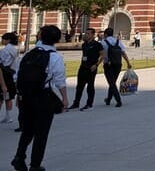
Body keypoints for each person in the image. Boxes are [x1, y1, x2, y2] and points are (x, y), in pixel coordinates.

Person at [11, 25, 68, 171]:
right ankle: (35, 165)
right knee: (41, 133)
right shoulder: (55, 57)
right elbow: (60, 81)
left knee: (28, 130)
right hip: (44, 97)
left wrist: (20, 94)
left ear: (40, 37)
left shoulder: (29, 54)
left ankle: (19, 157)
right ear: (57, 39)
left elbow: (17, 76)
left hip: (26, 97)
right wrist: (64, 99)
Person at [68, 28, 105, 111]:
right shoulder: (84, 44)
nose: (86, 35)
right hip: (83, 67)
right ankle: (76, 103)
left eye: (88, 34)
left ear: (92, 35)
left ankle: (89, 104)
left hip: (91, 68)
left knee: (90, 86)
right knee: (79, 86)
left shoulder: (97, 44)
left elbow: (103, 55)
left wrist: (96, 64)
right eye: (86, 33)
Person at [100, 27, 133, 107]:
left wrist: (97, 63)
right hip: (118, 64)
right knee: (113, 82)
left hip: (108, 64)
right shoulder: (118, 42)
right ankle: (108, 99)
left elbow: (102, 55)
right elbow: (123, 53)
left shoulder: (103, 42)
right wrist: (128, 62)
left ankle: (118, 100)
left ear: (105, 34)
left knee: (111, 83)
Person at [0, 32, 19, 123]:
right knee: (8, 96)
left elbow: (1, 63)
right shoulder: (15, 50)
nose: (2, 40)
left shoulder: (4, 50)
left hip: (3, 74)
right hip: (11, 74)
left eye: (3, 39)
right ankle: (8, 116)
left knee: (1, 96)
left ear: (8, 40)